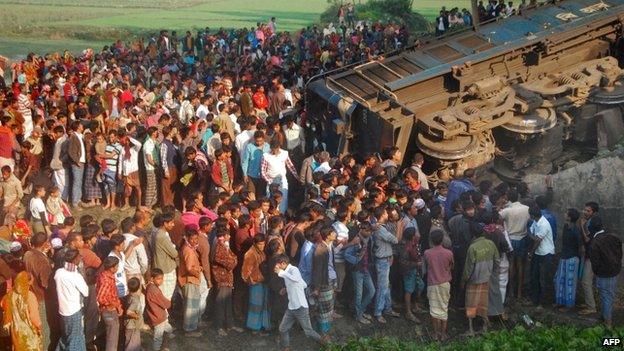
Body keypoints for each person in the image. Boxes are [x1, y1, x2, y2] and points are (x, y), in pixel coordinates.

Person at [274, 254, 326, 349]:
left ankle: (325, 343)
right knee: (282, 328)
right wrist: (287, 288)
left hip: (300, 307)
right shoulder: (288, 273)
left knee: (308, 331)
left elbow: (296, 279)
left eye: (278, 264)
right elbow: (304, 284)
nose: (276, 267)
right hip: (291, 307)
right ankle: (287, 348)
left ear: (283, 263)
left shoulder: (293, 270)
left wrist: (281, 273)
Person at [462, 222, 499, 335]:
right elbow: (497, 261)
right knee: (483, 303)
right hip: (486, 278)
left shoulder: (472, 247)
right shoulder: (491, 244)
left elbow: (468, 268)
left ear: (473, 235)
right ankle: (484, 327)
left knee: (471, 304)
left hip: (473, 281)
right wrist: (492, 273)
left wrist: (463, 280)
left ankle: (471, 329)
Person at [54, 248, 89, 351]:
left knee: (66, 336)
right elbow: (86, 292)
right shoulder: (76, 276)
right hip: (74, 311)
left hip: (63, 310)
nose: (80, 259)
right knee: (75, 339)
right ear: (75, 260)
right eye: (79, 257)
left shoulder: (58, 272)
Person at [211, 228, 243, 336]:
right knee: (221, 303)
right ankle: (219, 326)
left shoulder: (225, 246)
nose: (229, 237)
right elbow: (230, 263)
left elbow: (233, 257)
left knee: (227, 302)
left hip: (227, 279)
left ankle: (230, 325)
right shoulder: (219, 247)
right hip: (222, 279)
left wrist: (233, 260)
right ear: (223, 236)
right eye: (228, 235)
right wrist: (233, 260)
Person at [0, 271, 43, 351]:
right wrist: (39, 327)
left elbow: (2, 304)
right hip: (28, 332)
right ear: (28, 282)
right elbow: (33, 316)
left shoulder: (10, 295)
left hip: (16, 332)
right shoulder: (29, 296)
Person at [424, 229, 453, 341]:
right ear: (442, 240)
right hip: (445, 283)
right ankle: (443, 334)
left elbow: (426, 267)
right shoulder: (449, 253)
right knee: (444, 308)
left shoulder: (427, 253)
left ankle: (435, 333)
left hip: (432, 284)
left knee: (433, 309)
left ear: (431, 240)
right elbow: (450, 266)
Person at [590, 228, 622, 329]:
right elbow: (619, 254)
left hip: (603, 274)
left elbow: (595, 261)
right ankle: (605, 316)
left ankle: (608, 323)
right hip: (614, 271)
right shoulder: (613, 237)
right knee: (609, 295)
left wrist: (597, 272)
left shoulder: (595, 242)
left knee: (606, 297)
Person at [372, 206, 400, 323]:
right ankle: (378, 312)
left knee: (386, 286)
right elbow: (395, 240)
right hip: (382, 260)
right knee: (382, 287)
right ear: (382, 215)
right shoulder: (381, 229)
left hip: (385, 259)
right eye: (385, 213)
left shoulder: (378, 227)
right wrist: (399, 227)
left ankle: (387, 308)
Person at [553, 208, 582, 311]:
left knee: (569, 283)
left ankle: (569, 305)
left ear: (569, 217)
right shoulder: (566, 226)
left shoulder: (575, 231)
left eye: (566, 213)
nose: (564, 214)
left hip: (572, 258)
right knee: (559, 280)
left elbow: (580, 247)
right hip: (564, 257)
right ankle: (560, 301)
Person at [242, 234, 270, 333]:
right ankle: (254, 327)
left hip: (262, 282)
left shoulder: (261, 252)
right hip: (256, 283)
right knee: (255, 306)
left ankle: (262, 325)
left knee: (262, 305)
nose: (262, 246)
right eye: (260, 244)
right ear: (255, 244)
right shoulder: (250, 254)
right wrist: (253, 281)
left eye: (263, 244)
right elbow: (245, 273)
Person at [528, 205, 554, 310]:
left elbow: (537, 240)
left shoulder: (544, 224)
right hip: (538, 253)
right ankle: (535, 300)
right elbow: (532, 234)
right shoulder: (536, 221)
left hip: (545, 253)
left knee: (543, 278)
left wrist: (530, 253)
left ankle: (542, 303)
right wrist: (534, 238)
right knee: (534, 276)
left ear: (533, 215)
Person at [178, 227, 203, 337]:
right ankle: (189, 330)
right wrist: (197, 273)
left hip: (190, 280)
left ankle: (190, 327)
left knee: (191, 305)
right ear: (187, 238)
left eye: (196, 238)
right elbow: (189, 268)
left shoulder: (188, 248)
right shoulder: (188, 250)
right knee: (191, 306)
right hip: (190, 280)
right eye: (192, 239)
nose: (195, 241)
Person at [97, 256, 123, 351]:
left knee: (111, 335)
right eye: (116, 267)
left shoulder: (105, 275)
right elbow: (100, 297)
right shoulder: (106, 280)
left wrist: (118, 306)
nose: (117, 269)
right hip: (109, 311)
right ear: (112, 268)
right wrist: (113, 304)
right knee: (112, 339)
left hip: (111, 310)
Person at [578, 201, 600, 315]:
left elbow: (587, 239)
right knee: (587, 280)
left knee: (586, 281)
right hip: (589, 254)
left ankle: (591, 307)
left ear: (594, 212)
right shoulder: (591, 221)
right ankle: (589, 303)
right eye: (585, 210)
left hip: (592, 255)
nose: (585, 212)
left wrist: (582, 225)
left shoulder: (594, 222)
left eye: (588, 211)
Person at [146, 268, 174, 351]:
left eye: (162, 278)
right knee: (158, 337)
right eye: (159, 279)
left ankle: (166, 341)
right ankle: (157, 349)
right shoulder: (154, 290)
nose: (161, 281)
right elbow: (165, 304)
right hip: (158, 317)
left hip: (161, 316)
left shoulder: (151, 287)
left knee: (168, 329)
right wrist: (169, 303)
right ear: (152, 279)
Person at [124, 277, 144, 351]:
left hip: (130, 324)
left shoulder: (129, 296)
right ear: (139, 287)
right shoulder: (135, 299)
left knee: (131, 342)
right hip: (132, 325)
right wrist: (136, 316)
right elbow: (128, 312)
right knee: (132, 344)